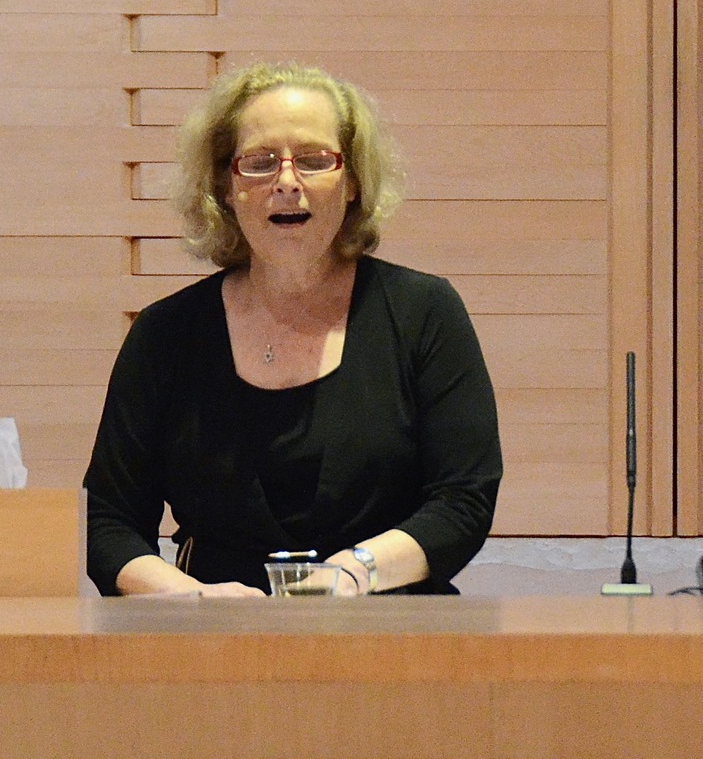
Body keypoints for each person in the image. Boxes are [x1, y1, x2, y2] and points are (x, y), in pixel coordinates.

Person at [84, 61, 503, 601]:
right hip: (211, 645)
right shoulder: (167, 333)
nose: (286, 182)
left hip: (393, 634)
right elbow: (108, 523)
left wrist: (355, 572)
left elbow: (463, 499)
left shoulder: (424, 312)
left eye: (314, 160)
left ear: (352, 182)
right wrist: (192, 601)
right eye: (258, 163)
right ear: (226, 187)